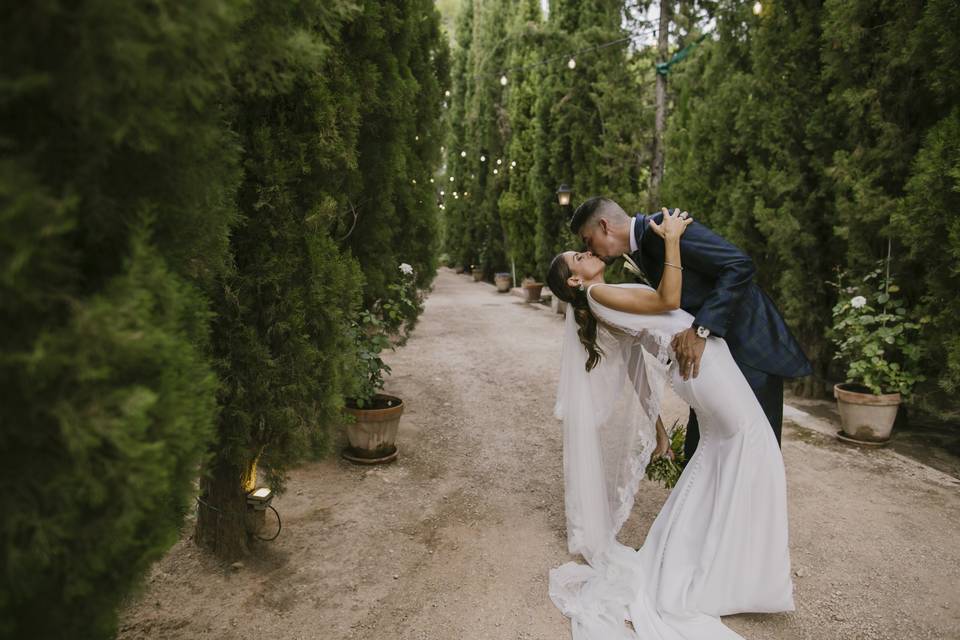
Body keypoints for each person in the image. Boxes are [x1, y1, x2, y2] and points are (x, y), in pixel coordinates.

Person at [545, 208, 794, 639]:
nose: (586, 253)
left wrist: (658, 428)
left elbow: (636, 368)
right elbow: (668, 302)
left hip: (698, 364)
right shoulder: (598, 296)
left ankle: (708, 558)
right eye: (578, 256)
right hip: (703, 363)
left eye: (584, 246)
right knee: (753, 444)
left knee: (720, 451)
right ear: (574, 281)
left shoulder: (604, 297)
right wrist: (674, 239)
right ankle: (728, 575)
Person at [569, 197, 812, 463]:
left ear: (604, 226)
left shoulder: (665, 226)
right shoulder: (643, 247)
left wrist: (702, 329)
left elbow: (738, 264)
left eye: (588, 240)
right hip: (707, 361)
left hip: (747, 347)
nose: (590, 250)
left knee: (754, 451)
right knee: (703, 451)